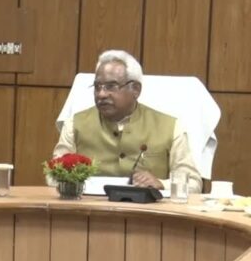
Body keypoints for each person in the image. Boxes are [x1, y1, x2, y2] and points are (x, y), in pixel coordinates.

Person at [53, 50, 202, 192]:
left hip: (148, 208)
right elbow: (53, 174)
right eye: (97, 87)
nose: (101, 94)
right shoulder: (75, 124)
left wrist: (161, 184)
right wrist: (73, 181)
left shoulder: (171, 127)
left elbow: (193, 184)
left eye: (111, 86)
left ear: (135, 90)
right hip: (89, 207)